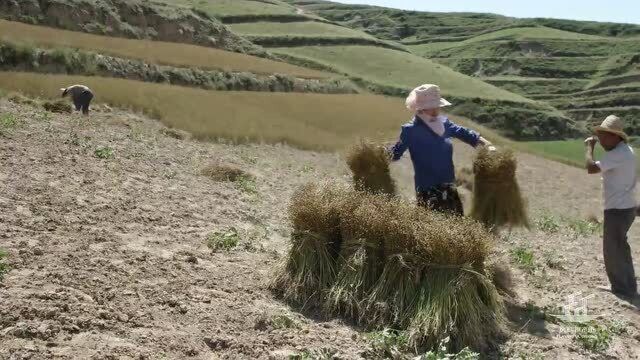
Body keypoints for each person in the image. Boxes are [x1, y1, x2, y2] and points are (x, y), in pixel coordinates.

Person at [389, 84, 494, 215]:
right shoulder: (410, 130)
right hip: (427, 189)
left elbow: (466, 134)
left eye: (436, 106)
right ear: (420, 108)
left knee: (457, 226)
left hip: (449, 186)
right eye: (431, 107)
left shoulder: (444, 124)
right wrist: (377, 154)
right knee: (433, 228)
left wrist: (487, 145)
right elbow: (395, 153)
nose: (435, 110)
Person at [585, 115, 638, 299]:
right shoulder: (627, 151)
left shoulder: (618, 154)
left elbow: (591, 168)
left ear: (616, 137)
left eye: (604, 136)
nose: (600, 140)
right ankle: (628, 286)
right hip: (626, 207)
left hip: (618, 209)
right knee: (620, 248)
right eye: (599, 136)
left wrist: (589, 148)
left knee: (612, 249)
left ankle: (621, 288)